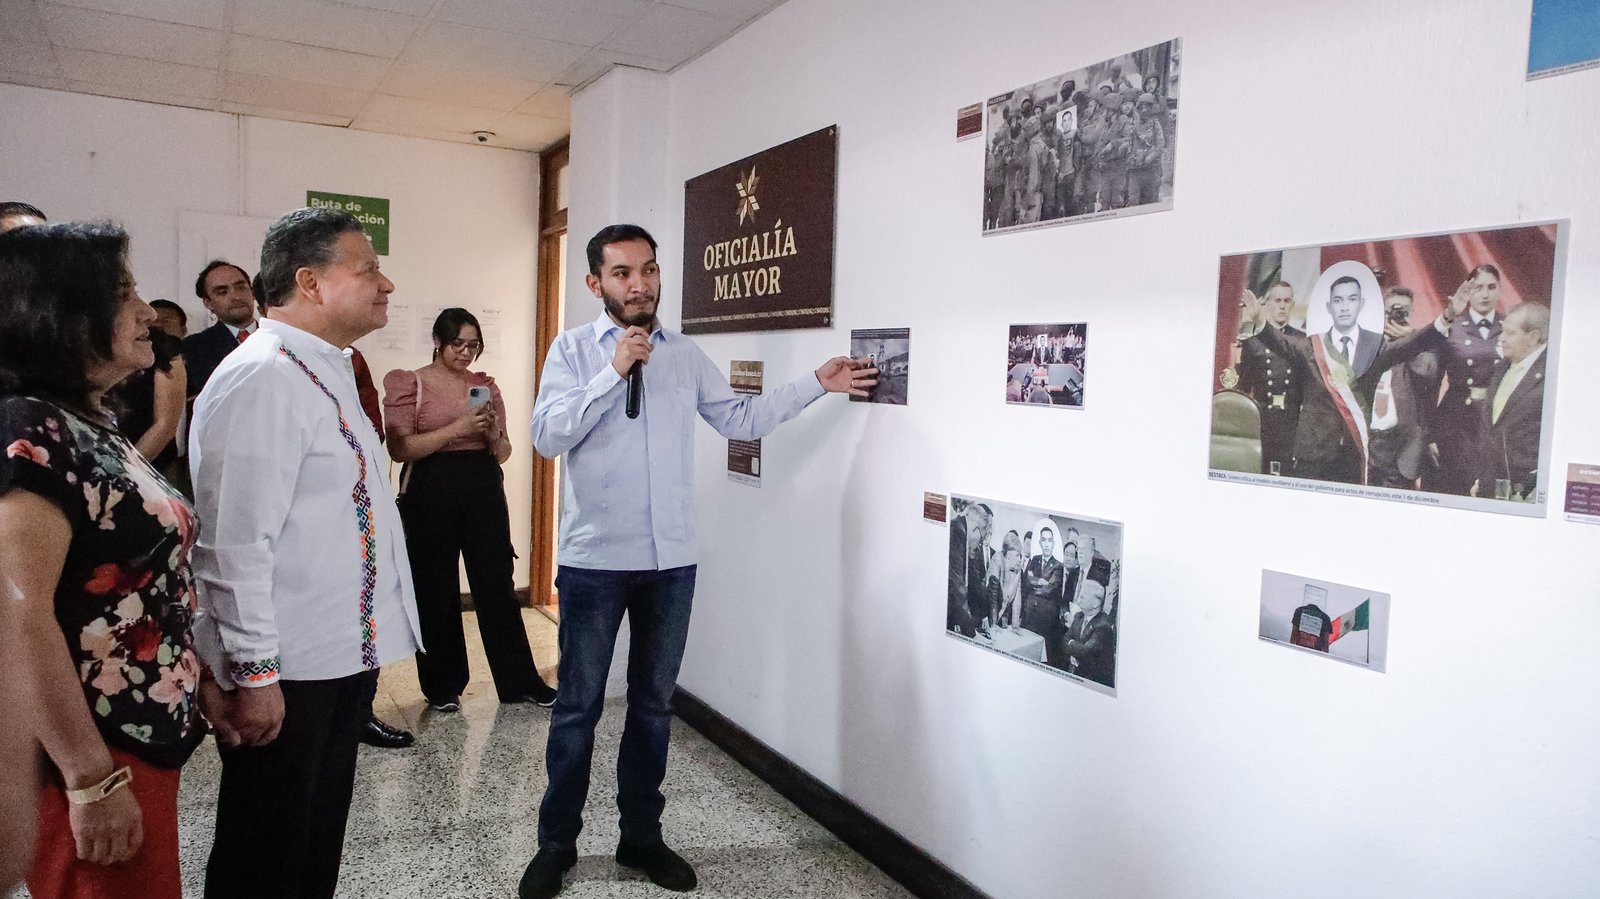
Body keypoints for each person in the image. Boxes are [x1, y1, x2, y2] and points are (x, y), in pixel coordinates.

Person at [518, 224, 874, 899]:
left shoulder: (683, 355)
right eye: (622, 273)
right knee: (578, 708)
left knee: (653, 707)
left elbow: (740, 418)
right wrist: (611, 371)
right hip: (595, 562)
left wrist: (816, 384)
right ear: (595, 283)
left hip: (671, 562)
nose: (640, 284)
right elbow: (547, 437)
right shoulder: (572, 351)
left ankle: (641, 837)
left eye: (649, 270)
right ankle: (556, 845)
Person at [189, 207, 423, 899]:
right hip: (287, 669)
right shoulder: (262, 376)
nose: (386, 283)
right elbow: (233, 544)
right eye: (369, 269)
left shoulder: (325, 366)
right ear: (310, 282)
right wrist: (255, 672)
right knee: (266, 854)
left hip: (338, 655)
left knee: (313, 841)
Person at [0, 221, 214, 899]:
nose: (148, 312)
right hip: (94, 743)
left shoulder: (91, 422)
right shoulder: (29, 427)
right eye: (124, 293)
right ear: (60, 313)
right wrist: (90, 778)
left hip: (138, 729)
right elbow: (19, 614)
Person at [384, 308, 557, 712]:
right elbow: (401, 448)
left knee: (497, 584)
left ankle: (519, 682)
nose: (466, 352)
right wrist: (458, 429)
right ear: (438, 342)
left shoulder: (484, 386)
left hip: (482, 487)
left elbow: (504, 451)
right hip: (429, 490)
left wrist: (493, 432)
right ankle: (443, 686)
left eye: (473, 345)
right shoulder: (410, 383)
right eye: (458, 344)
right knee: (435, 587)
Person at [1241, 275, 1467, 484]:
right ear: (1329, 307)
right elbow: (1280, 342)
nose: (1345, 306)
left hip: (1353, 454)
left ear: (1361, 305)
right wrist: (1259, 320)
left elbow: (1411, 345)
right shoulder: (1312, 346)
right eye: (1338, 300)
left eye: (1351, 299)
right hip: (1313, 455)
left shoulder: (1374, 348)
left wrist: (1446, 317)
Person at [1428, 264, 1506, 494]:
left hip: (1496, 419)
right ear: (1468, 290)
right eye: (1478, 287)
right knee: (1455, 487)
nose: (1485, 294)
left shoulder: (1511, 326)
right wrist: (1429, 434)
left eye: (1491, 287)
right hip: (1455, 421)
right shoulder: (1451, 327)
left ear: (1500, 289)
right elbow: (1432, 383)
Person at [1366, 287, 1440, 490]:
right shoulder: (1368, 344)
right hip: (1369, 441)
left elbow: (1428, 371)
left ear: (1412, 313)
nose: (1398, 316)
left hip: (1402, 446)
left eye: (1404, 311)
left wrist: (1412, 340)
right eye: (1393, 310)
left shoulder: (1423, 343)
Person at [1475, 302, 1549, 499]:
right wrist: (1483, 479)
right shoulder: (1502, 367)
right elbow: (1492, 430)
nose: (1501, 338)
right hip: (1490, 487)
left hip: (1527, 494)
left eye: (1510, 333)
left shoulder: (1553, 374)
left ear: (1533, 337)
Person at [1235, 281, 1304, 476]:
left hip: (1292, 422)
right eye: (1277, 300)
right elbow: (1243, 387)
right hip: (1262, 421)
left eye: (1287, 301)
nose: (1282, 306)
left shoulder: (1301, 341)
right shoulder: (1252, 342)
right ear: (1267, 304)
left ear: (1292, 304)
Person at [183, 260, 258, 398]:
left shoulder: (282, 339)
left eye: (241, 287)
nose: (236, 297)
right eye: (223, 292)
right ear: (208, 303)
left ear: (252, 293)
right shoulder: (192, 349)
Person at [1062, 580, 1116, 688]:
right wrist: (1075, 648)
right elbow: (1064, 641)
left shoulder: (1103, 626)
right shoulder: (1079, 616)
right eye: (1081, 592)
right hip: (1077, 675)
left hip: (1095, 683)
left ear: (1096, 604)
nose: (1080, 595)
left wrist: (1071, 644)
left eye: (1085, 594)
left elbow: (1086, 652)